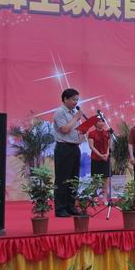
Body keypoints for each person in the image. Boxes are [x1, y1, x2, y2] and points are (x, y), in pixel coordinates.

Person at [52, 88, 84, 217]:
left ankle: (71, 206)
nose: (76, 102)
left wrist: (83, 130)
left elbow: (75, 130)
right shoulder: (60, 112)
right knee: (62, 179)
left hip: (75, 148)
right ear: (65, 99)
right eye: (73, 99)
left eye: (77, 100)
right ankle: (60, 208)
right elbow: (64, 130)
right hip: (63, 148)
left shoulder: (74, 113)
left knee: (73, 179)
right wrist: (76, 118)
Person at [88, 117, 111, 196]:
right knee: (95, 179)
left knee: (105, 178)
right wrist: (100, 155)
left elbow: (109, 145)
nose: (101, 123)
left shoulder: (107, 133)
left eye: (102, 121)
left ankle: (104, 198)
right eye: (99, 122)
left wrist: (107, 153)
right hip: (96, 158)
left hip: (105, 158)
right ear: (95, 123)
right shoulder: (91, 133)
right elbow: (91, 146)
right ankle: (94, 197)